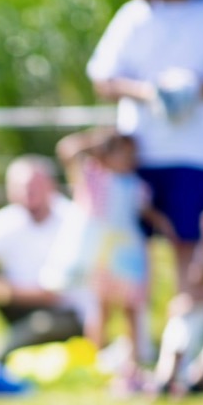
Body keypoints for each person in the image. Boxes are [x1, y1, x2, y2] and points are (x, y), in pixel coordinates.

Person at [86, 0, 203, 295]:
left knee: (189, 242)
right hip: (137, 155)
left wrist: (194, 89)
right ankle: (137, 336)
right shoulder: (134, 15)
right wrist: (148, 92)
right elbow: (103, 78)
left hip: (196, 155)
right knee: (129, 246)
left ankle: (184, 324)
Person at [55, 128, 176, 386]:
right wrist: (97, 142)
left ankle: (133, 361)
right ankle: (94, 356)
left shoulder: (137, 184)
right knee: (102, 306)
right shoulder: (95, 178)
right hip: (103, 253)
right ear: (107, 155)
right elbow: (68, 149)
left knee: (132, 306)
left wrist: (165, 225)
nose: (131, 159)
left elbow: (146, 211)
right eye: (124, 153)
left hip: (129, 252)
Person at [0, 154, 93, 360]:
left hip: (66, 314)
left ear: (51, 186)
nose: (27, 193)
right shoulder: (10, 219)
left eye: (33, 186)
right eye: (19, 187)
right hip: (21, 308)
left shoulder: (73, 222)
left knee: (41, 326)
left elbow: (55, 294)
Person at [151, 204, 203, 392]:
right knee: (181, 318)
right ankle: (165, 376)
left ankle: (199, 377)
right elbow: (198, 279)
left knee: (188, 307)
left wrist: (194, 299)